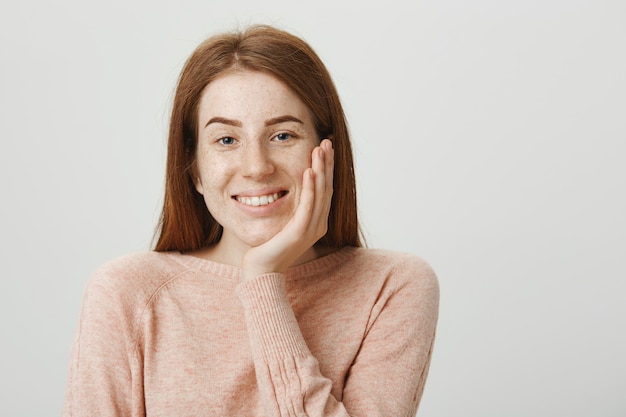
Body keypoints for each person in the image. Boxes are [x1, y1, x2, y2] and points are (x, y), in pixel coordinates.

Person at [62, 24, 439, 417]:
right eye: (226, 140)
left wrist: (262, 278)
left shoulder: (393, 287)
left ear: (326, 152)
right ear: (195, 170)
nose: (257, 168)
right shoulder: (127, 293)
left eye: (282, 136)